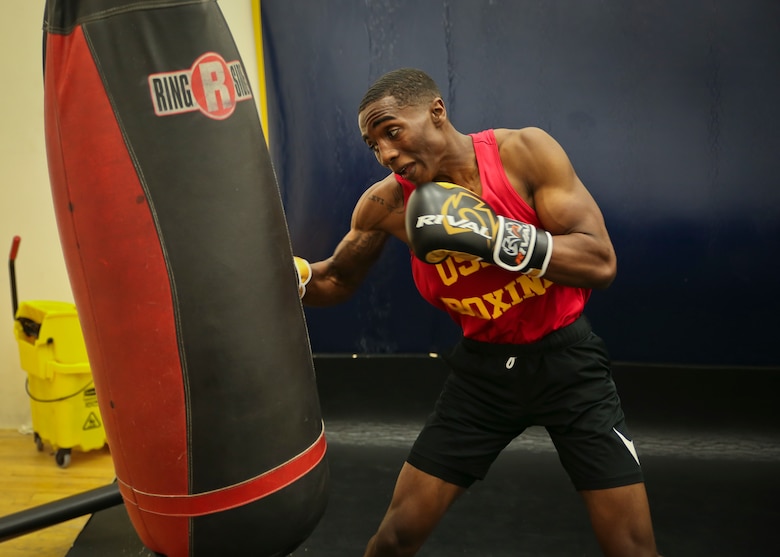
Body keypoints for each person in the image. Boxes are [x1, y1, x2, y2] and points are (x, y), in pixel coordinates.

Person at [294, 67, 661, 557]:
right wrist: (270, 276)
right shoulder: (384, 205)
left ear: (436, 112)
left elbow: (599, 261)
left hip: (569, 368)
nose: (385, 153)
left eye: (392, 131)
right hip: (482, 378)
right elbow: (335, 279)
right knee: (395, 538)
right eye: (373, 144)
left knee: (631, 548)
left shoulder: (524, 154)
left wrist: (494, 238)